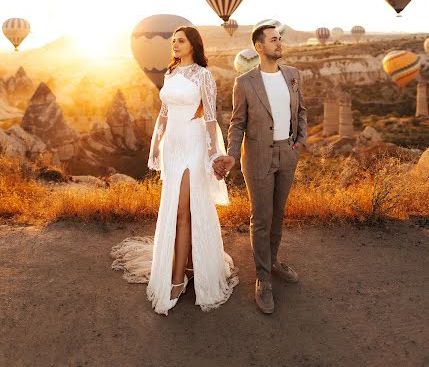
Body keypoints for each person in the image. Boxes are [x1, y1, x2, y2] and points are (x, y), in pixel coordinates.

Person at [111, 26, 238, 315]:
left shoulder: (203, 76)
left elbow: (209, 119)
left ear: (193, 44)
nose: (175, 45)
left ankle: (178, 280)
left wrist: (212, 154)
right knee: (177, 208)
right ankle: (190, 265)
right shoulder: (170, 74)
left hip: (193, 145)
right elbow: (164, 112)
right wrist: (156, 143)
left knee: (184, 211)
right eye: (173, 41)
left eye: (180, 40)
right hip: (173, 146)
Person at [214, 24, 307, 314]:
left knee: (278, 214)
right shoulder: (245, 82)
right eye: (273, 40)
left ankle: (274, 260)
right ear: (258, 47)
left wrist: (300, 141)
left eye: (280, 39)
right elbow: (237, 123)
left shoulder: (293, 75)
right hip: (256, 157)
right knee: (261, 218)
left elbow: (301, 110)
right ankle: (263, 278)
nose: (279, 43)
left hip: (287, 152)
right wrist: (230, 154)